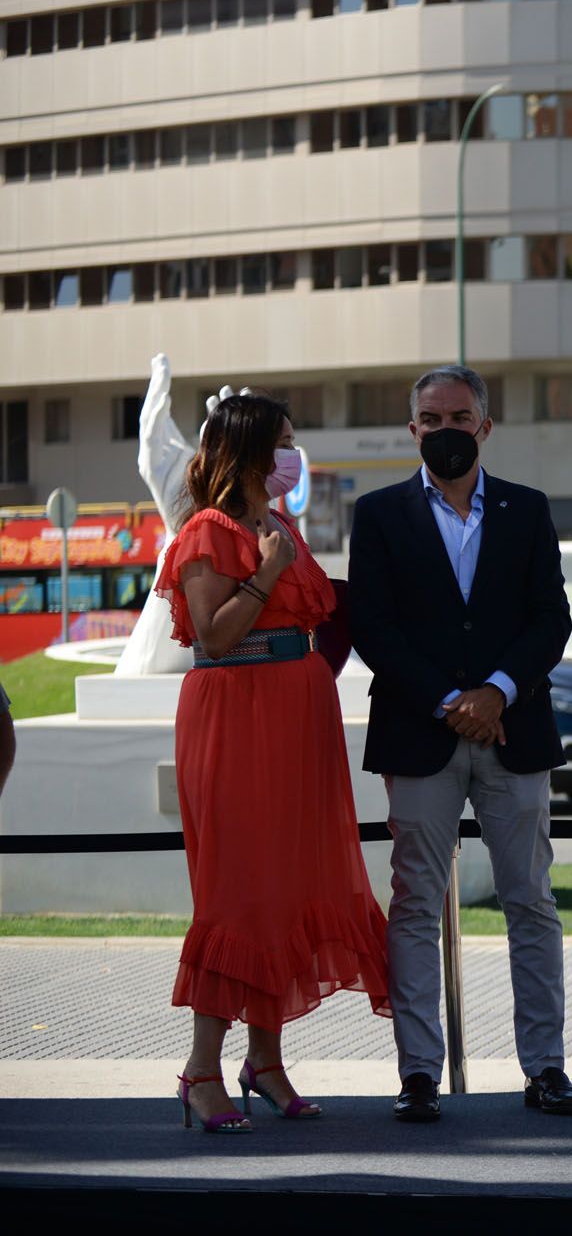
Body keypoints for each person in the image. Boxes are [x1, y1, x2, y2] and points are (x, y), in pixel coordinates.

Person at [347, 365, 572, 1123]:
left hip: (515, 730)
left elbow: (552, 618)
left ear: (485, 425)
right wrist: (450, 700)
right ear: (412, 427)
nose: (444, 428)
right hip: (420, 732)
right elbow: (372, 627)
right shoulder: (377, 513)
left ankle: (546, 1067)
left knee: (532, 902)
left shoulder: (527, 508)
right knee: (414, 903)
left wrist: (496, 691)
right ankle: (418, 1073)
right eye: (429, 416)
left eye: (459, 415)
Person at [154, 394, 390, 1132]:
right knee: (239, 895)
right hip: (237, 719)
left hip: (297, 722)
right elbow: (216, 637)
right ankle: (200, 1069)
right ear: (253, 450)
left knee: (286, 891)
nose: (293, 455)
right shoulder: (207, 531)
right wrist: (265, 573)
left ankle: (265, 1060)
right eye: (284, 441)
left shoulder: (278, 524)